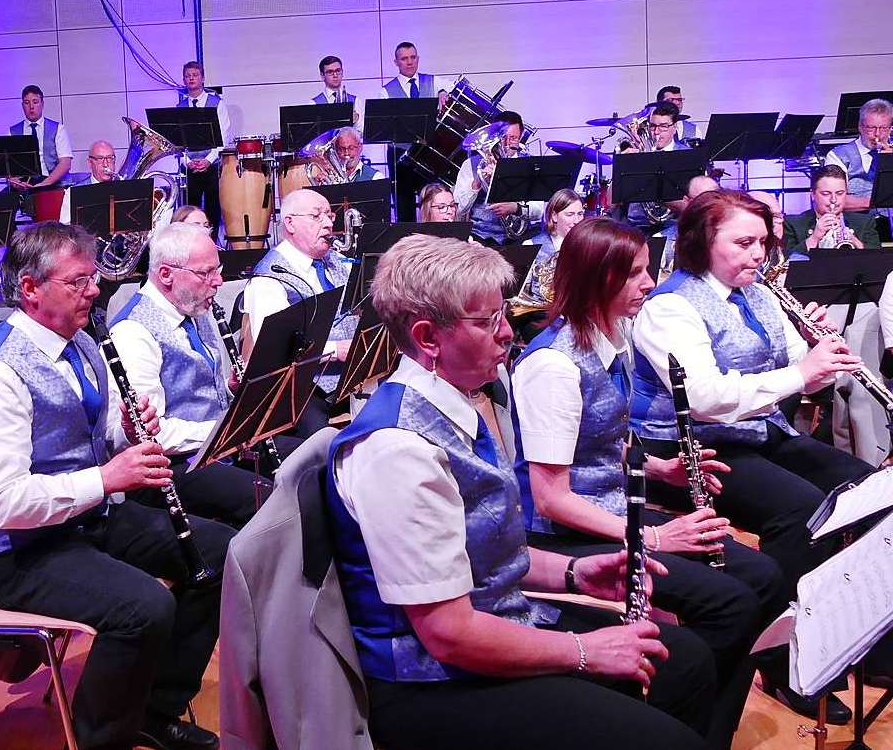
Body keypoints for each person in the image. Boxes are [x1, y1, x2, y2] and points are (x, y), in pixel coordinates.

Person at [325, 233, 713, 750]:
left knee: (686, 660)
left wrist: (575, 572)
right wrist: (582, 649)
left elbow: (483, 548)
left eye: (502, 315)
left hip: (493, 624)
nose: (508, 333)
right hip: (431, 682)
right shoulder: (398, 451)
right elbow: (447, 633)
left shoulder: (457, 405)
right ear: (428, 337)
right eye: (488, 322)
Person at [0, 221, 234, 750]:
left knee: (222, 557)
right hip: (15, 553)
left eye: (93, 278)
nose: (95, 290)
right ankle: (99, 737)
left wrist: (123, 433)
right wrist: (106, 479)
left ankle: (154, 707)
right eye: (78, 281)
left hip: (83, 521)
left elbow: (90, 438)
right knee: (144, 607)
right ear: (31, 290)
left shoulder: (79, 343)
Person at [510, 217, 786, 748]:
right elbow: (549, 496)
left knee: (765, 577)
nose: (649, 284)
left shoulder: (616, 338)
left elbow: (603, 435)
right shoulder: (552, 365)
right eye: (635, 274)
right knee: (730, 604)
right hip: (566, 533)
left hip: (617, 511)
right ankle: (676, 727)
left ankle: (699, 726)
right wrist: (655, 537)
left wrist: (662, 471)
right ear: (599, 279)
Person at [629, 189, 875, 722]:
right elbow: (706, 398)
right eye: (743, 242)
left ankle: (863, 642)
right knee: (800, 508)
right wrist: (801, 371)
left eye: (762, 242)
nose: (757, 253)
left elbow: (795, 366)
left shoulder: (759, 292)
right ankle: (786, 662)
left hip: (758, 431)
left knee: (866, 487)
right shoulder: (670, 306)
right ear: (701, 243)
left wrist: (817, 351)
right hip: (684, 445)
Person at [109, 222, 268, 528]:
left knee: (304, 461)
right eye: (206, 273)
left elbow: (194, 387)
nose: (219, 281)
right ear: (166, 274)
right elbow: (151, 435)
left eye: (217, 270)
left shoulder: (192, 305)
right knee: (266, 499)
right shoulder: (133, 332)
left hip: (213, 446)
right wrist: (225, 433)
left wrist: (229, 388)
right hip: (171, 467)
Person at [245, 189, 357, 436]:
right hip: (304, 391)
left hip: (351, 381)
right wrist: (336, 351)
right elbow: (277, 349)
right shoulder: (269, 278)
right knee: (322, 446)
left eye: (329, 215)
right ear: (290, 223)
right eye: (317, 216)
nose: (328, 223)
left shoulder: (335, 261)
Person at [382, 42, 454, 222]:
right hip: (400, 155)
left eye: (413, 57)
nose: (409, 62)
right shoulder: (385, 92)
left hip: (429, 154)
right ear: (396, 62)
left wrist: (444, 92)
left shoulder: (434, 81)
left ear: (418, 59)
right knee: (403, 204)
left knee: (432, 200)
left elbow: (453, 89)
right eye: (404, 58)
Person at [453, 110, 543, 245]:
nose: (506, 144)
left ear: (521, 136)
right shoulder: (471, 164)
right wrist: (477, 182)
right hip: (478, 236)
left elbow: (538, 211)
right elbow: (458, 209)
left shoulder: (530, 165)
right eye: (502, 137)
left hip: (517, 238)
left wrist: (515, 208)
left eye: (513, 138)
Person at [178, 61, 231, 241]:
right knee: (189, 210)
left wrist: (208, 160)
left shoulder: (216, 103)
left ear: (203, 78)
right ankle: (191, 246)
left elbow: (223, 136)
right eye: (188, 75)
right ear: (184, 80)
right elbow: (177, 142)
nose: (191, 78)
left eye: (195, 74)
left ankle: (212, 243)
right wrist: (187, 161)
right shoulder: (179, 108)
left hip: (211, 166)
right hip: (189, 167)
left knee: (212, 209)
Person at [618, 102, 690, 228]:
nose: (656, 132)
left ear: (675, 128)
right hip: (637, 224)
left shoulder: (687, 155)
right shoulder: (637, 155)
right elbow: (613, 200)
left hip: (674, 224)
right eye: (652, 126)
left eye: (663, 126)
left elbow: (697, 202)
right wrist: (622, 164)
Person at [783, 165, 880, 257]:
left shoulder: (865, 222)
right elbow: (786, 263)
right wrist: (814, 237)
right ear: (812, 195)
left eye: (839, 193)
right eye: (826, 194)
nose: (834, 200)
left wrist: (854, 240)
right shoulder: (792, 223)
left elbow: (878, 260)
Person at [824, 97, 893, 212]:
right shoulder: (838, 155)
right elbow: (832, 200)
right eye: (871, 128)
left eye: (883, 128)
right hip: (858, 224)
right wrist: (877, 202)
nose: (877, 134)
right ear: (860, 127)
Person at [8, 84, 73, 190]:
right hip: (23, 184)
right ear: (22, 105)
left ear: (42, 104)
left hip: (51, 183)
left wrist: (44, 184)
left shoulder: (58, 129)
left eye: (35, 102)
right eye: (26, 103)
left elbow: (65, 163)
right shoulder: (12, 132)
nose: (31, 107)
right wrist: (14, 181)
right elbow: (7, 165)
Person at [658, 175, 721, 276]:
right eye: (702, 201)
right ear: (687, 201)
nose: (709, 206)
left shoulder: (731, 236)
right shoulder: (662, 241)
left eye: (715, 199)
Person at [58, 139, 117, 224]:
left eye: (110, 158)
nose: (105, 164)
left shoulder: (124, 187)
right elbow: (66, 227)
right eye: (100, 159)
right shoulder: (73, 192)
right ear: (90, 163)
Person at [313, 55, 363, 128]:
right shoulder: (314, 104)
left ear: (342, 72)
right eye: (330, 72)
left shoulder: (356, 101)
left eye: (338, 70)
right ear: (322, 76)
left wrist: (356, 121)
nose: (335, 75)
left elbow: (362, 132)